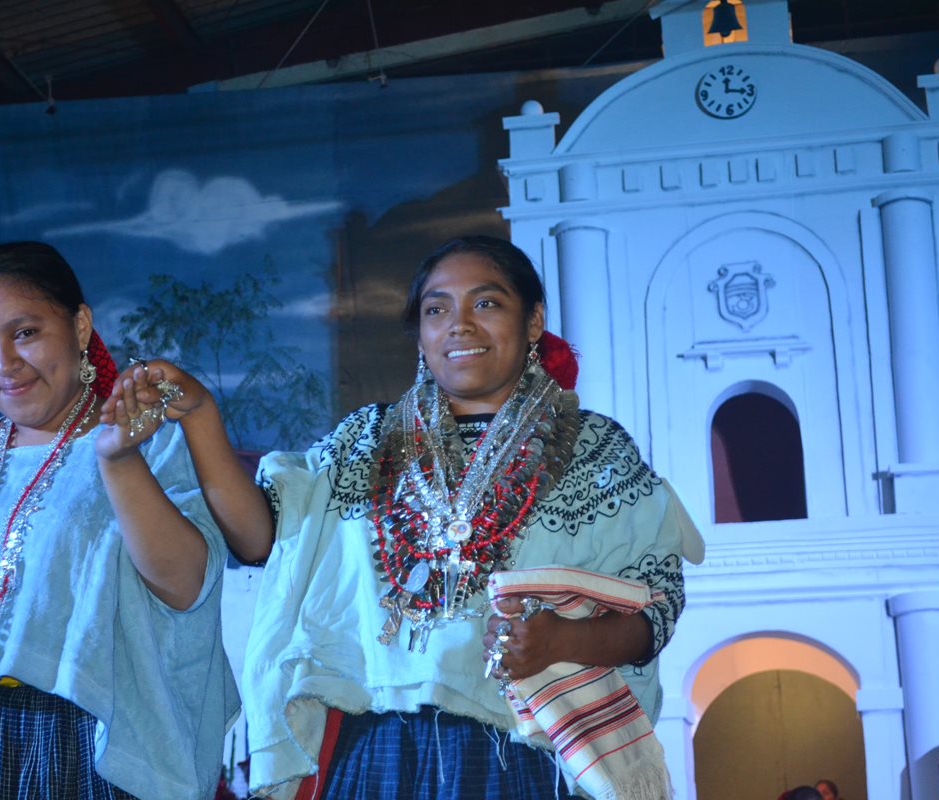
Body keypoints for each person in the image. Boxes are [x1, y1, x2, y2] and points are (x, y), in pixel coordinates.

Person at [114, 235, 703, 799]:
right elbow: (263, 536)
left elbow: (656, 605)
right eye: (436, 309)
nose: (460, 324)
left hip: (520, 755)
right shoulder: (364, 441)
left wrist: (561, 638)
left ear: (532, 323)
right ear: (420, 335)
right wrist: (199, 414)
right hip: (374, 750)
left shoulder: (593, 449)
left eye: (488, 303)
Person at [0, 241, 250, 799]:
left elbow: (186, 586)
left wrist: (118, 458)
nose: (3, 364)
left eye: (24, 333)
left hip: (83, 749)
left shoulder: (148, 443)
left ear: (79, 326)